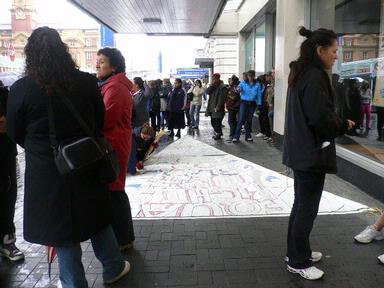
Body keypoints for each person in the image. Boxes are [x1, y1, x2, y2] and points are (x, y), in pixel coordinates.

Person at [6, 27, 130, 287]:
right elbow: (97, 121)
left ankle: (75, 283)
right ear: (63, 51)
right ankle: (113, 266)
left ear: (32, 55)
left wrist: (40, 148)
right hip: (86, 160)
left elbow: (15, 132)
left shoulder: (22, 88)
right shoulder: (86, 82)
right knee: (96, 215)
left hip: (47, 171)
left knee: (62, 229)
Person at [283, 26, 355, 280]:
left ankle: (295, 252)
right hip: (310, 154)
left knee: (300, 205)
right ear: (320, 50)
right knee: (306, 208)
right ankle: (298, 261)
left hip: (301, 151)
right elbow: (320, 118)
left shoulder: (301, 72)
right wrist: (342, 124)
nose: (336, 56)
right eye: (334, 51)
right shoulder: (314, 76)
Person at [97, 47, 136, 252]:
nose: (97, 64)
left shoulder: (115, 88)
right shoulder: (112, 84)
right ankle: (122, 237)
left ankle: (124, 239)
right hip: (114, 144)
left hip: (113, 145)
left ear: (114, 66)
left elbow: (106, 119)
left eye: (102, 61)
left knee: (115, 190)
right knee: (114, 189)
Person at [0, 81, 24, 262]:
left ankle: (7, 241)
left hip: (4, 155)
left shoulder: (5, 92)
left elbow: (16, 121)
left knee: (7, 197)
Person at [232, 70, 262, 142]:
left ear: (254, 76)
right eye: (249, 76)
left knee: (249, 120)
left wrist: (259, 104)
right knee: (241, 119)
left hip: (252, 104)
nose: (250, 77)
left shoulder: (257, 84)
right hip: (244, 103)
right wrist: (238, 89)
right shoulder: (243, 83)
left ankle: (248, 136)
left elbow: (259, 95)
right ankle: (236, 136)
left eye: (252, 76)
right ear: (247, 76)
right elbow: (238, 89)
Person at [128, 77, 149, 175]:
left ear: (136, 85)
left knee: (140, 143)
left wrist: (145, 83)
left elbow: (149, 93)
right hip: (133, 122)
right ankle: (135, 163)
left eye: (133, 82)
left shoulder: (142, 94)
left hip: (141, 122)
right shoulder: (132, 94)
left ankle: (139, 161)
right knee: (134, 144)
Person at [205, 73, 228, 140]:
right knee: (213, 122)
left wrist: (218, 106)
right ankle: (219, 133)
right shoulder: (213, 86)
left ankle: (218, 134)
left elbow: (222, 98)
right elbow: (207, 92)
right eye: (213, 78)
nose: (213, 80)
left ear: (218, 78)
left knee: (217, 122)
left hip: (218, 108)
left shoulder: (222, 87)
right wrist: (212, 85)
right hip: (212, 107)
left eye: (214, 78)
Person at [225, 75, 241, 141]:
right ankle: (233, 135)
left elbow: (233, 97)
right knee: (233, 121)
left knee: (231, 121)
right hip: (232, 107)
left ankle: (232, 135)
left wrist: (228, 99)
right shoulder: (231, 87)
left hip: (234, 107)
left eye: (230, 80)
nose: (229, 81)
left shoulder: (235, 88)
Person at [265, 71, 275, 144]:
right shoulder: (269, 85)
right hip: (270, 105)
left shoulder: (274, 85)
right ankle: (272, 137)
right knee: (270, 122)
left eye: (268, 76)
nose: (266, 77)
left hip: (273, 106)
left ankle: (273, 138)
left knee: (272, 122)